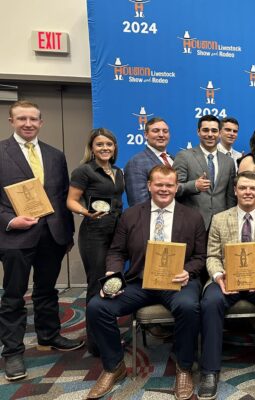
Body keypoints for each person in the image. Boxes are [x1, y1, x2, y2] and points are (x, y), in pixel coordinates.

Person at [86, 165, 206, 400]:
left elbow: (200, 257)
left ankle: (183, 367)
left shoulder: (192, 217)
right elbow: (117, 252)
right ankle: (114, 367)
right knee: (97, 307)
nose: (164, 189)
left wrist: (187, 271)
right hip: (139, 282)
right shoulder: (131, 215)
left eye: (169, 185)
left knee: (189, 307)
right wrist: (113, 274)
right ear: (149, 186)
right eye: (159, 184)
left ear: (176, 187)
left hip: (177, 282)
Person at [0, 100, 81, 381]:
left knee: (47, 290)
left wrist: (67, 234)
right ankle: (12, 352)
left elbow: (61, 197)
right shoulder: (0, 152)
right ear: (11, 121)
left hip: (52, 236)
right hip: (15, 237)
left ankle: (49, 335)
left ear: (41, 122)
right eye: (21, 119)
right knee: (13, 296)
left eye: (33, 119)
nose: (28, 124)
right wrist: (10, 221)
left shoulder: (55, 155)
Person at [198, 171, 255, 399]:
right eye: (243, 188)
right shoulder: (219, 218)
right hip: (227, 280)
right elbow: (212, 256)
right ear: (235, 191)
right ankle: (209, 371)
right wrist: (218, 276)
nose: (248, 192)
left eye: (252, 188)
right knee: (210, 302)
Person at [66, 128, 124, 356]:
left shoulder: (118, 171)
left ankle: (109, 332)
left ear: (114, 148)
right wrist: (85, 212)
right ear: (92, 148)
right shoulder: (84, 171)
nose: (105, 148)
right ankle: (96, 343)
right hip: (94, 234)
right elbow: (70, 201)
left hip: (116, 232)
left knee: (113, 283)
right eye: (100, 145)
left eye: (109, 144)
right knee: (96, 285)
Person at [173, 114, 236, 229]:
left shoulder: (229, 161)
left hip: (221, 224)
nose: (210, 135)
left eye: (214, 131)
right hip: (192, 223)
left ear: (220, 133)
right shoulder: (184, 156)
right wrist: (194, 185)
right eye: (205, 130)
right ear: (198, 132)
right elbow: (174, 188)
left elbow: (230, 196)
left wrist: (230, 220)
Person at [124, 117, 173, 206]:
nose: (161, 135)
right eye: (156, 131)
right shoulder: (136, 163)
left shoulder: (174, 159)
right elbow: (139, 204)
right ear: (146, 135)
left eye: (165, 131)